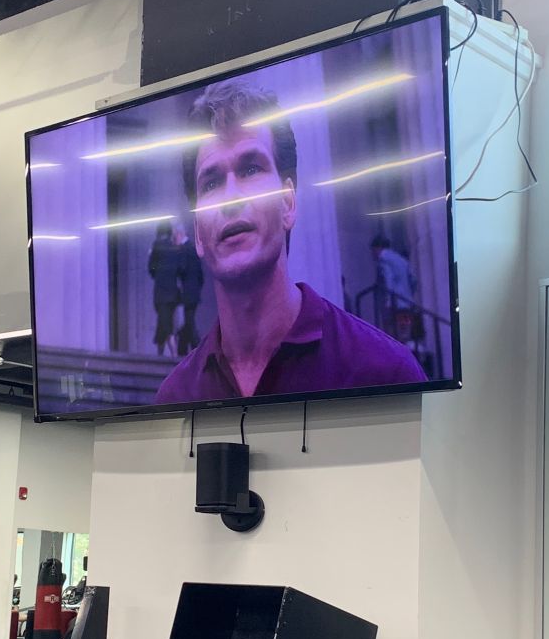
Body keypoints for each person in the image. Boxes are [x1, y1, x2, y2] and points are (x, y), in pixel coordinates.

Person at [155, 79, 426, 403]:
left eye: (251, 168)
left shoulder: (386, 373)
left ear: (288, 204)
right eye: (211, 183)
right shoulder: (175, 397)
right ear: (198, 233)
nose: (230, 198)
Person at [371, 234, 418, 339]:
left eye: (373, 250)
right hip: (406, 303)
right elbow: (414, 280)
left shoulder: (383, 258)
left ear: (377, 248)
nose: (372, 254)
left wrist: (388, 300)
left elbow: (388, 278)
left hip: (395, 304)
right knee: (405, 330)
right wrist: (409, 294)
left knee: (393, 333)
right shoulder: (402, 260)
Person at [148, 221, 184, 356]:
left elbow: (150, 268)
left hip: (161, 293)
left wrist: (157, 273)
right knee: (163, 322)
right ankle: (161, 354)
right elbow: (180, 269)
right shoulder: (175, 248)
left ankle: (172, 356)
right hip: (173, 293)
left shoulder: (156, 246)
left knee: (165, 325)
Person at [174, 222, 205, 356]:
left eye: (175, 237)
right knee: (188, 321)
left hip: (187, 292)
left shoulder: (184, 249)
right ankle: (183, 350)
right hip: (194, 292)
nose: (174, 241)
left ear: (179, 235)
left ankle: (198, 351)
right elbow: (200, 275)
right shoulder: (193, 248)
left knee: (190, 323)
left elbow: (182, 268)